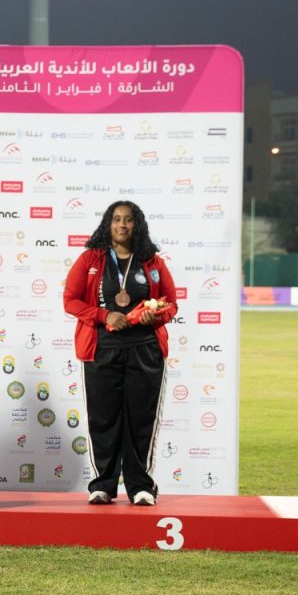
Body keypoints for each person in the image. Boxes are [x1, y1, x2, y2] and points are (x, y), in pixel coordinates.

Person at [63, 201, 178, 506]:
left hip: (145, 350)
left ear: (137, 225)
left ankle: (141, 486)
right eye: (116, 219)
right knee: (103, 419)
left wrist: (157, 315)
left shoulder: (152, 262)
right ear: (108, 224)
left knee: (142, 418)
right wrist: (104, 315)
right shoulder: (91, 259)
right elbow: (70, 300)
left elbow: (171, 303)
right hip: (102, 350)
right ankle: (103, 484)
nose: (122, 225)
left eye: (128, 220)